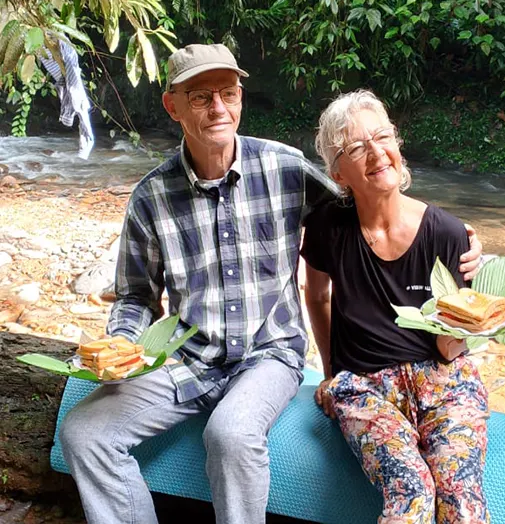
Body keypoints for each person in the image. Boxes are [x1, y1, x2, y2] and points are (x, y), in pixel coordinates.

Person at [59, 45, 483, 524]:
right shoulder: (151, 197)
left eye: (228, 92)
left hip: (268, 355)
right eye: (200, 96)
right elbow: (136, 295)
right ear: (172, 105)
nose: (218, 107)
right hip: (184, 357)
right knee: (84, 433)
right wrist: (122, 341)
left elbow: (368, 191)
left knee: (231, 434)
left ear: (241, 98)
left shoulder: (285, 168)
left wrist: (449, 232)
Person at [301, 90, 489, 524]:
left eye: (382, 136)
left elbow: (448, 350)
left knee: (461, 501)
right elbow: (316, 295)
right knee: (411, 490)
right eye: (356, 147)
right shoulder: (328, 226)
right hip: (364, 388)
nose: (376, 152)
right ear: (337, 172)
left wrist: (474, 311)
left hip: (444, 383)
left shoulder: (447, 234)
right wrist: (333, 374)